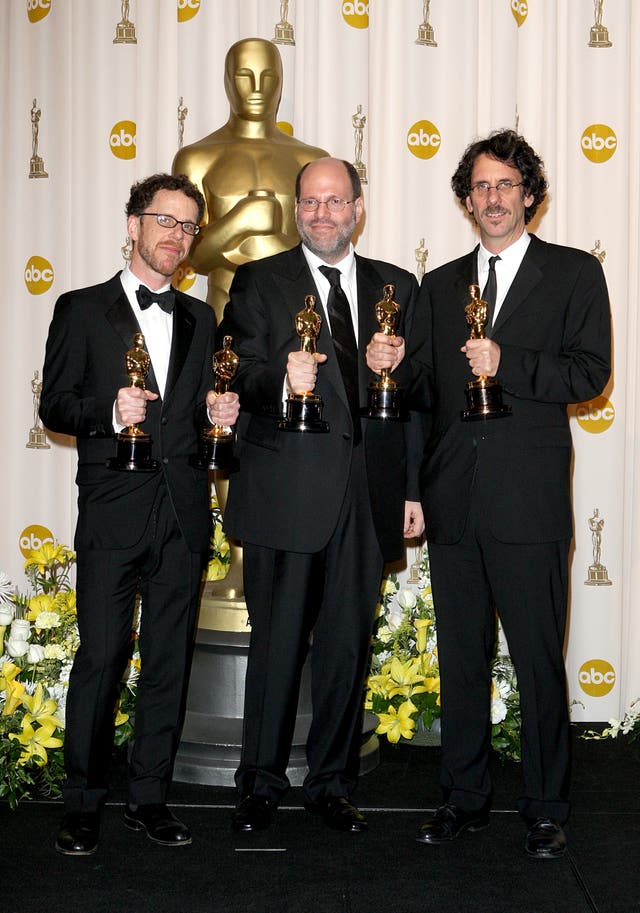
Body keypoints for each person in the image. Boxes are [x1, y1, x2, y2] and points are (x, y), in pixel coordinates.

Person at [367, 129, 611, 858]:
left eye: (507, 184)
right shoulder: (437, 286)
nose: (494, 198)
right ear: (466, 200)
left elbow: (588, 374)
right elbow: (421, 400)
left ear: (530, 194)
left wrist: (510, 362)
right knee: (461, 658)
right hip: (452, 502)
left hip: (529, 502)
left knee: (537, 658)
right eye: (481, 186)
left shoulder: (573, 274)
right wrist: (390, 366)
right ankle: (464, 797)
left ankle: (543, 806)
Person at [219, 157, 424, 834]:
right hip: (286, 490)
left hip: (367, 497)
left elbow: (420, 398)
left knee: (346, 646)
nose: (322, 214)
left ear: (358, 208)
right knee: (275, 644)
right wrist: (281, 375)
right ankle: (259, 783)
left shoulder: (399, 286)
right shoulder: (259, 279)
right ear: (295, 209)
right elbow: (233, 373)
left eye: (335, 201)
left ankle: (332, 781)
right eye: (310, 202)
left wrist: (412, 489)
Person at [40, 173, 240, 856]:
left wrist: (221, 418)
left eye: (188, 227)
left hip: (183, 515)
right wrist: (108, 413)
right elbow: (56, 406)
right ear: (133, 224)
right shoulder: (80, 309)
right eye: (164, 221)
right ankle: (84, 801)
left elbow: (200, 418)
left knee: (167, 662)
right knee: (100, 656)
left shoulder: (201, 318)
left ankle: (149, 797)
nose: (176, 237)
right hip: (112, 514)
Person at [172, 36, 328, 324]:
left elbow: (326, 247)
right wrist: (242, 220)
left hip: (297, 307)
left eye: (268, 77)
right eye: (245, 76)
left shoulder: (310, 159)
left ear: (280, 83)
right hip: (224, 307)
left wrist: (267, 241)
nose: (257, 89)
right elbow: (190, 253)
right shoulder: (197, 158)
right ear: (228, 81)